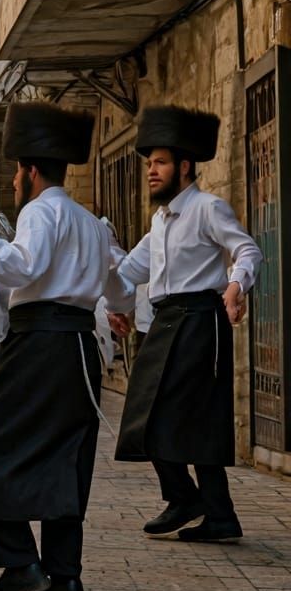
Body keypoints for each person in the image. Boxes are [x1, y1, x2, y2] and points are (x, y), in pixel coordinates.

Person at [0, 102, 125, 591]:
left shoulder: (41, 210)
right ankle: (65, 579)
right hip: (77, 347)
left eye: (16, 171)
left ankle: (20, 561)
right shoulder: (92, 222)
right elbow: (119, 279)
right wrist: (124, 312)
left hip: (39, 345)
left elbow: (24, 267)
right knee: (68, 460)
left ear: (27, 170)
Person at [110, 106, 261, 542]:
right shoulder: (159, 222)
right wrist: (112, 303)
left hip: (200, 320)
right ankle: (198, 504)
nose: (151, 172)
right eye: (148, 165)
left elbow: (247, 250)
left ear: (184, 166)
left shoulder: (208, 208)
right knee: (145, 411)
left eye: (158, 163)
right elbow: (129, 271)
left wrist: (235, 287)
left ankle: (205, 509)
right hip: (166, 321)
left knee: (195, 419)